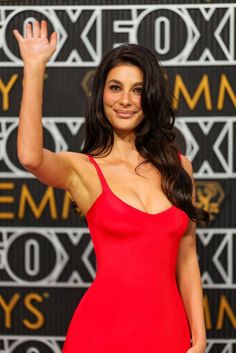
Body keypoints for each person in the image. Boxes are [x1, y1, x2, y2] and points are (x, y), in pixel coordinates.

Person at [13, 19, 209, 353]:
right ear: (101, 93)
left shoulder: (179, 167)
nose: (126, 100)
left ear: (149, 97)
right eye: (115, 87)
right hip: (101, 335)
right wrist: (33, 68)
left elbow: (188, 260)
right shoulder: (84, 169)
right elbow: (31, 157)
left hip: (169, 334)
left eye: (137, 89)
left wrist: (200, 338)